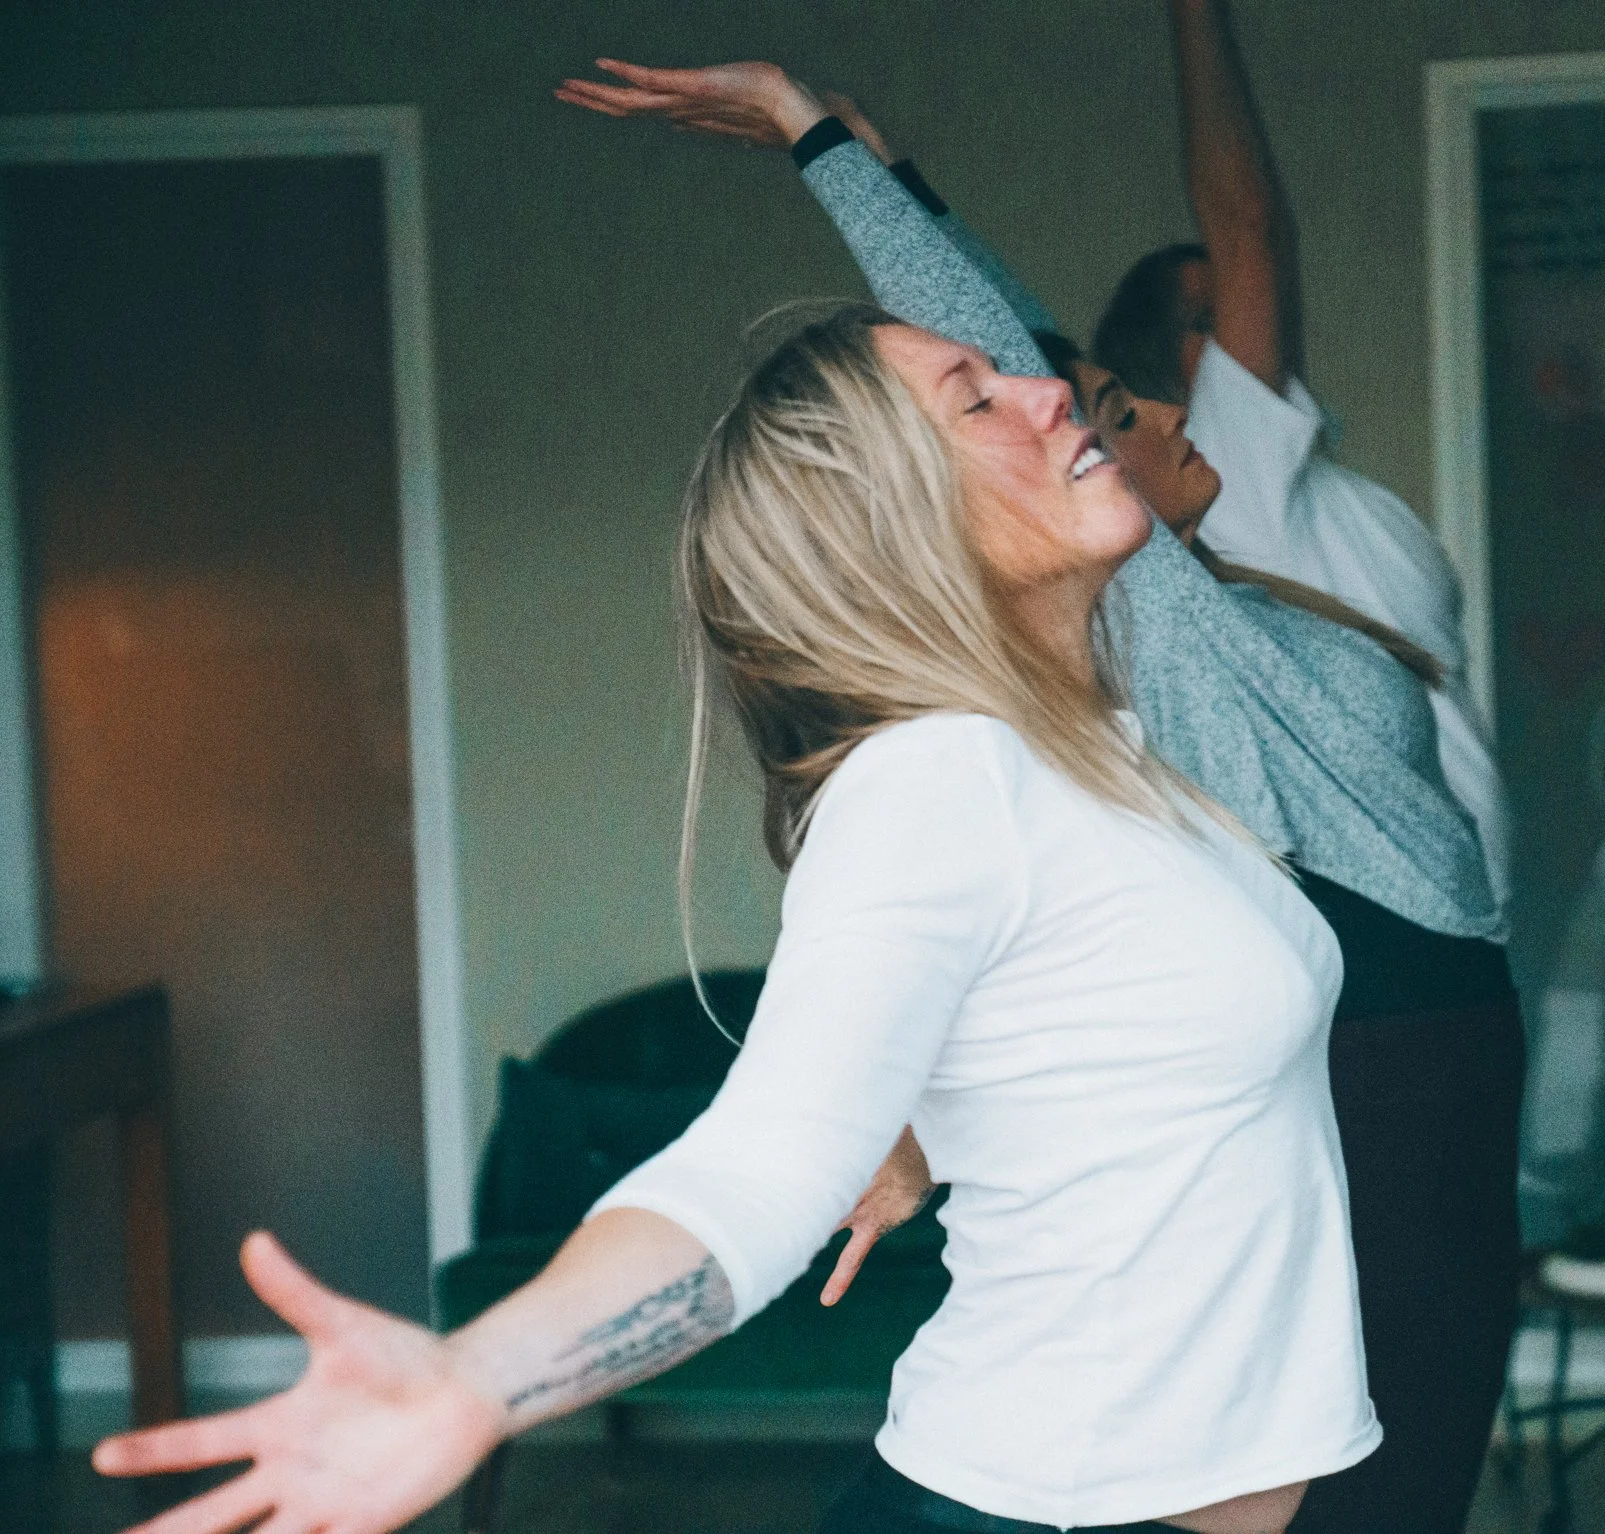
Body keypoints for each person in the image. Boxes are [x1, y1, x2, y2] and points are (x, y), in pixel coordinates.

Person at [89, 295, 1369, 1534]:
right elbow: (754, 1162)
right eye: (975, 398)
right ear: (892, 524)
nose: (1047, 390)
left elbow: (1090, 1019)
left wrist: (919, 1122)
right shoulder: (936, 780)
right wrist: (477, 1379)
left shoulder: (1098, 754)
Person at [556, 55, 1526, 1534]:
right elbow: (983, 346)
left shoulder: (1203, 638)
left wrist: (934, 1117)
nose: (1073, 406)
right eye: (1092, 402)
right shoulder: (1148, 623)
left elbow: (1096, 1007)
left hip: (1430, 1071)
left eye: (1086, 396)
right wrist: (826, 144)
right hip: (1394, 1071)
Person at [1099, 0, 1514, 916]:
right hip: (1404, 933)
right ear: (1162, 368)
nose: (1262, 309)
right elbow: (1249, 224)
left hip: (1463, 920)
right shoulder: (1222, 477)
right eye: (1209, 319)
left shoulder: (1308, 483)